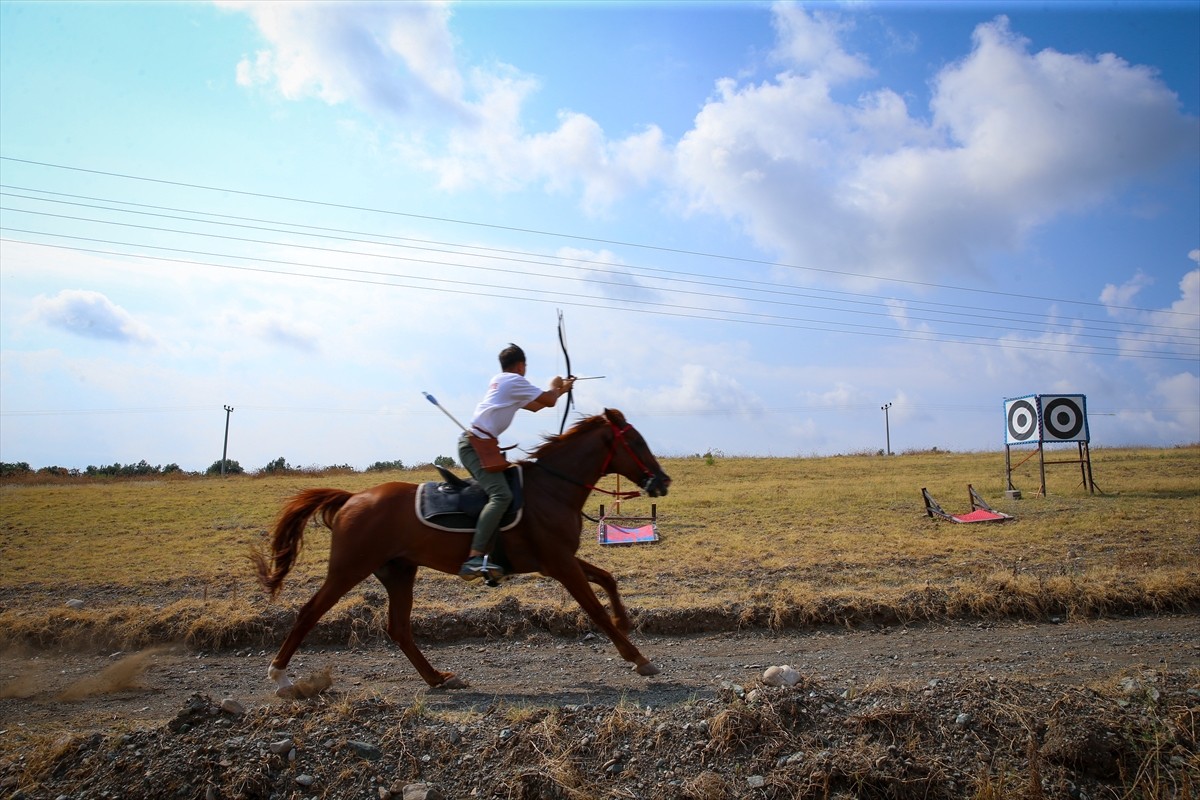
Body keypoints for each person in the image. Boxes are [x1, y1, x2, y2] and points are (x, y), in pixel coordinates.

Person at [457, 343, 575, 581]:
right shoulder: (513, 381)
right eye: (526, 366)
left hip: (481, 445)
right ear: (521, 366)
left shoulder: (503, 382)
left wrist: (561, 390)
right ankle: (474, 557)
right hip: (476, 447)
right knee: (501, 495)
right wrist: (556, 386)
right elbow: (548, 401)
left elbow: (534, 406)